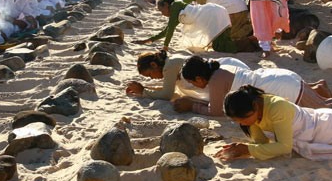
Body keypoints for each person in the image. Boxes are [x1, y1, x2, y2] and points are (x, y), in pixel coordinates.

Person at [175, 56, 332, 116]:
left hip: (284, 88)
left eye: (192, 82)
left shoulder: (216, 80)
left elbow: (216, 110)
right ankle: (319, 87)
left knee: (324, 110)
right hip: (280, 78)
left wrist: (191, 106)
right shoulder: (219, 67)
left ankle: (320, 91)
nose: (194, 86)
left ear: (198, 77)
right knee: (321, 104)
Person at [217, 85, 332, 161]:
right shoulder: (253, 113)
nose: (242, 124)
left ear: (255, 106)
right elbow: (261, 142)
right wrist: (239, 149)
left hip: (324, 126)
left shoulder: (277, 107)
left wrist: (247, 149)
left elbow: (284, 147)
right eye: (237, 121)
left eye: (243, 119)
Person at [125, 50, 249, 101]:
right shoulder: (170, 64)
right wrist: (144, 88)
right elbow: (167, 90)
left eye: (150, 75)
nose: (153, 78)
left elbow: (166, 95)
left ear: (153, 65)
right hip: (222, 74)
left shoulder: (170, 66)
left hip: (225, 72)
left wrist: (143, 91)